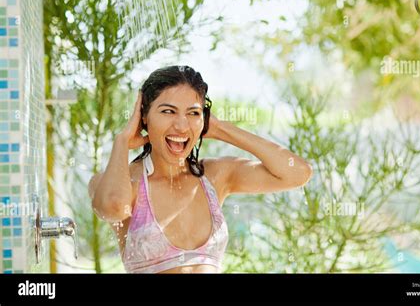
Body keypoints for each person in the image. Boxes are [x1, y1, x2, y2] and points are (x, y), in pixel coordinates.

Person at [88, 65, 313, 273]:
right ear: (144, 116)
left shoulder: (213, 176)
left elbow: (298, 173)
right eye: (168, 111)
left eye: (193, 113)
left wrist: (221, 129)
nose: (182, 125)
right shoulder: (120, 183)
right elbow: (113, 208)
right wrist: (122, 141)